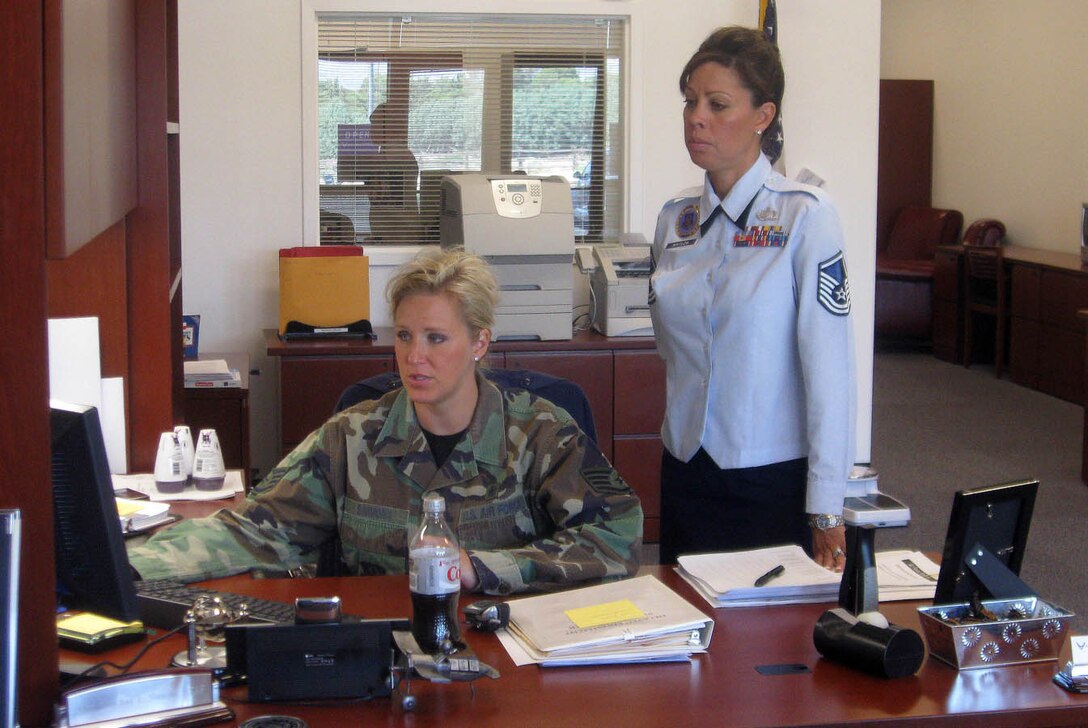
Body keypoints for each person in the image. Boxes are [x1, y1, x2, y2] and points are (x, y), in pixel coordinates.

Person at [128, 248, 643, 594]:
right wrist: (121, 567)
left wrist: (482, 567)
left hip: (506, 649)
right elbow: (250, 530)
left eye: (436, 338)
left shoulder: (540, 434)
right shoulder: (351, 438)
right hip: (381, 650)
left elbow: (617, 534)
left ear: (480, 343)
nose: (414, 357)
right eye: (403, 336)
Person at [649, 26, 856, 571]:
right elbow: (672, 350)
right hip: (686, 468)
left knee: (765, 646)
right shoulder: (675, 219)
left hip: (770, 476)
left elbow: (831, 372)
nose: (696, 117)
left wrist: (827, 508)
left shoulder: (805, 216)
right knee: (688, 636)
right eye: (690, 101)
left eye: (717, 104)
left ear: (763, 117)